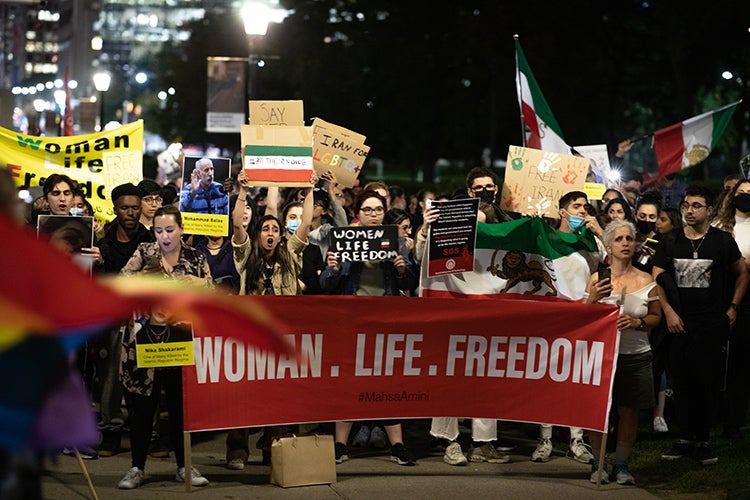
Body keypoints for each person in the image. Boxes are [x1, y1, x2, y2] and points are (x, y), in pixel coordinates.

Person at [320, 190, 419, 466]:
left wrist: (401, 269)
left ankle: (397, 445)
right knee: (347, 380)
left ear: (384, 213)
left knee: (386, 381)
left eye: (378, 210)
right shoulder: (343, 239)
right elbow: (327, 285)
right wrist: (334, 267)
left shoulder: (396, 241)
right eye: (367, 210)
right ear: (358, 214)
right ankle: (340, 445)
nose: (373, 214)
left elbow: (409, 282)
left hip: (384, 320)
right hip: (351, 320)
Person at [117, 205, 212, 489]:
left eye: (170, 230)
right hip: (145, 342)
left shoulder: (196, 258)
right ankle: (137, 467)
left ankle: (184, 466)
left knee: (179, 405)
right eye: (159, 231)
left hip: (180, 342)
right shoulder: (145, 253)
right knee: (143, 408)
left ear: (182, 229)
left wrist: (200, 283)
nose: (164, 236)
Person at [224, 171, 314, 469]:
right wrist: (242, 190)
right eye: (265, 229)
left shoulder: (290, 256)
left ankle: (276, 447)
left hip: (281, 338)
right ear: (258, 234)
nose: (271, 233)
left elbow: (305, 223)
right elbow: (237, 222)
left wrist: (310, 189)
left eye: (275, 229)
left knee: (279, 395)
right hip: (248, 337)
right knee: (242, 395)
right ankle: (238, 451)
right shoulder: (245, 254)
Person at [653, 185, 748, 465]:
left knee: (706, 381)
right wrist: (668, 311)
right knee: (681, 382)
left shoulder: (722, 241)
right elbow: (657, 277)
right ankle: (685, 438)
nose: (689, 211)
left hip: (711, 323)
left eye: (696, 206)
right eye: (686, 205)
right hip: (678, 323)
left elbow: (742, 274)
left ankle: (703, 440)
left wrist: (733, 307)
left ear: (709, 210)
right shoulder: (670, 241)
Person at [584, 219, 661, 485]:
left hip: (636, 355)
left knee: (629, 410)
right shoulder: (596, 278)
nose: (625, 243)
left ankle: (622, 465)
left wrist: (636, 322)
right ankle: (598, 462)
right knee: (598, 409)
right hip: (601, 357)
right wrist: (593, 299)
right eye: (619, 239)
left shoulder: (645, 279)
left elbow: (655, 317)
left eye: (629, 239)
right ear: (607, 246)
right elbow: (583, 318)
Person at [530, 190, 602, 464]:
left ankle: (577, 439)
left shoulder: (591, 238)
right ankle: (545, 439)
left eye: (585, 206)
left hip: (584, 316)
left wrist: (599, 230)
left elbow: (614, 258)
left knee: (578, 379)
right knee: (546, 379)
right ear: (562, 211)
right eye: (576, 206)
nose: (582, 211)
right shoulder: (544, 236)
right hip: (551, 317)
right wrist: (531, 223)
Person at [93, 183, 155, 457]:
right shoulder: (101, 241)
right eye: (124, 208)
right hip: (110, 318)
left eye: (134, 207)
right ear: (115, 208)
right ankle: (111, 431)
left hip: (142, 319)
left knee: (144, 377)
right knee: (110, 379)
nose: (130, 213)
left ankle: (146, 431)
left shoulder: (151, 238)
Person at [712, 179, 750, 439]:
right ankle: (710, 414)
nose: (746, 197)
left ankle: (734, 419)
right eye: (742, 193)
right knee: (713, 357)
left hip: (748, 299)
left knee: (741, 360)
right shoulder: (719, 226)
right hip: (718, 295)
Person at [650, 207, 683, 434]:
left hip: (678, 312)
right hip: (659, 311)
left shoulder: (677, 246)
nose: (657, 224)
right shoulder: (654, 244)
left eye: (662, 220)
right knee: (657, 363)